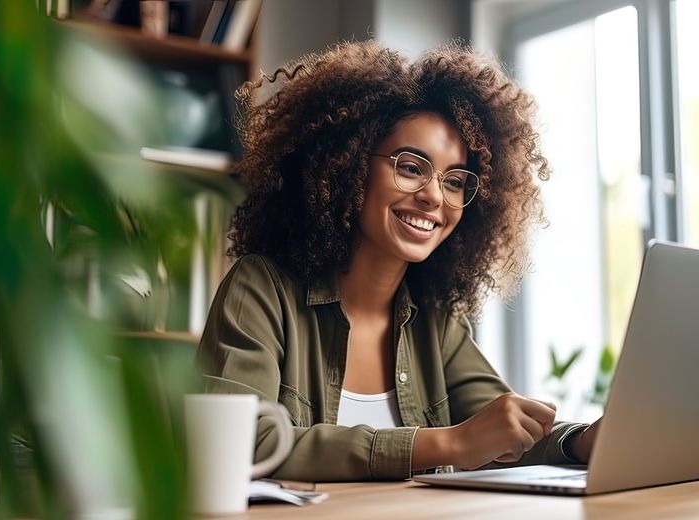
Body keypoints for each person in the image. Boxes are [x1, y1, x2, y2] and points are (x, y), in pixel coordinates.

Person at [197, 40, 599, 482]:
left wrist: (582, 440)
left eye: (455, 181)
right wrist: (447, 443)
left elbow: (501, 429)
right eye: (411, 167)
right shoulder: (261, 288)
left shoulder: (437, 319)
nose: (433, 195)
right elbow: (240, 444)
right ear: (344, 165)